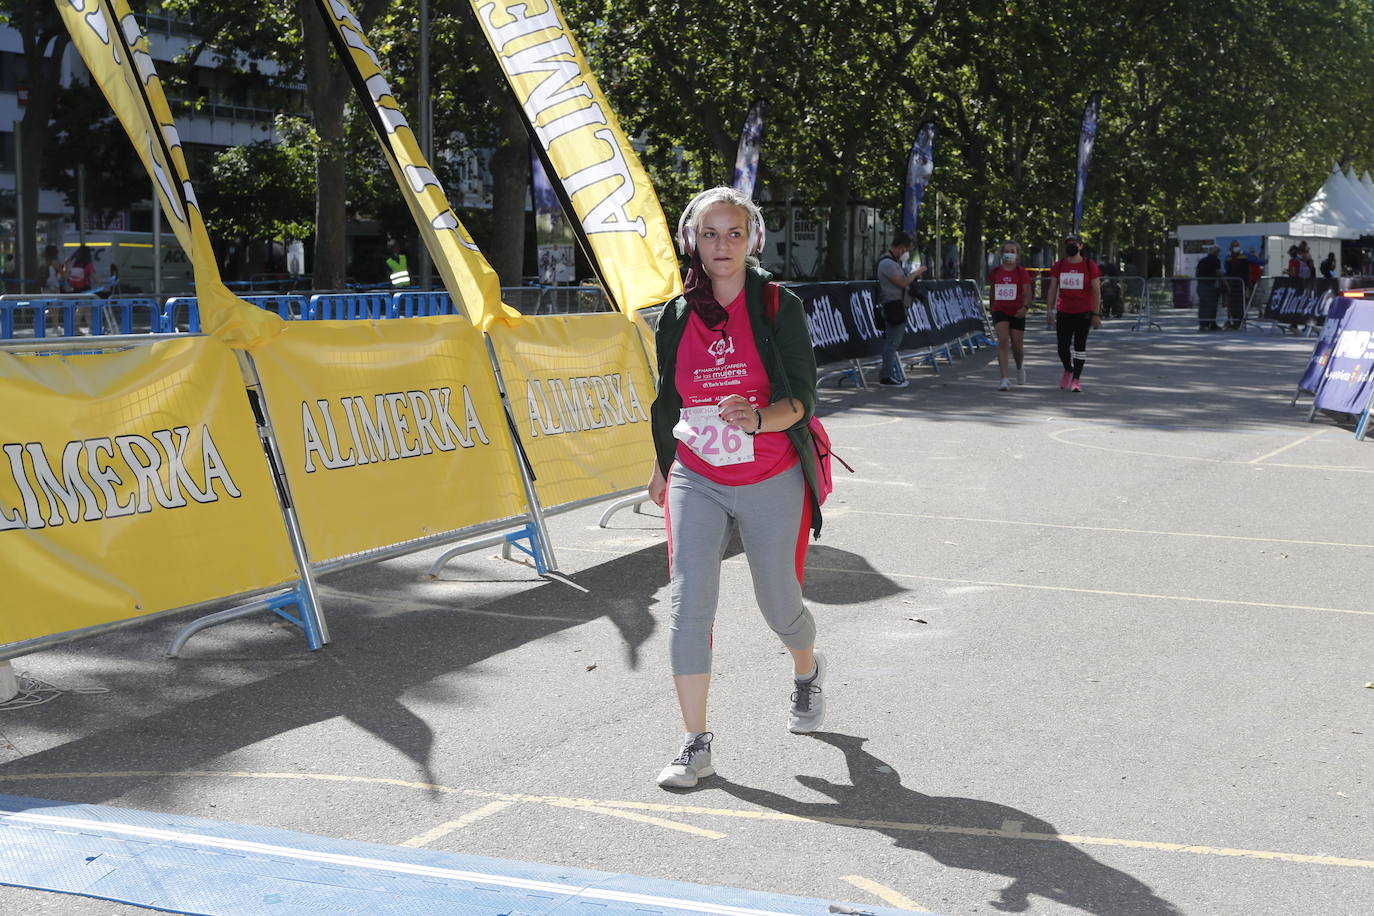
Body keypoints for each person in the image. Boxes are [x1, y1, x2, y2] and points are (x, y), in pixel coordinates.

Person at [647, 186, 826, 789]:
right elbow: (667, 400)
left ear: (752, 239)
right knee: (686, 607)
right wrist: (660, 464)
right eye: (709, 233)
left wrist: (757, 418)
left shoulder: (778, 306)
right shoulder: (675, 314)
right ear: (690, 241)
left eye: (733, 233)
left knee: (780, 605)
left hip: (770, 473)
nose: (721, 245)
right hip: (696, 476)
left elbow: (804, 396)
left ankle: (805, 667)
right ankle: (695, 743)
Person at [1043, 233, 1101, 392]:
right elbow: (1052, 289)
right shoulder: (1059, 265)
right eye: (1069, 243)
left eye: (1075, 243)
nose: (1072, 245)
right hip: (1064, 312)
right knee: (1062, 347)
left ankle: (1076, 379)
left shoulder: (1090, 265)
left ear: (1081, 246)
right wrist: (1049, 310)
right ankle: (1068, 369)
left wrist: (1096, 314)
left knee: (1079, 346)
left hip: (1084, 313)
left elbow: (1096, 291)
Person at [875, 232, 926, 387]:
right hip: (893, 307)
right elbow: (902, 282)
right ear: (899, 247)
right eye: (905, 250)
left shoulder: (894, 263)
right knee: (892, 343)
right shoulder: (887, 264)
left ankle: (888, 373)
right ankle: (886, 376)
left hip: (898, 306)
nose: (906, 253)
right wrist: (915, 274)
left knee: (893, 342)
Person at [987, 240, 1033, 390]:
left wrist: (1025, 307)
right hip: (1000, 310)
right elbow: (993, 291)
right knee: (1002, 340)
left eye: (1013, 251)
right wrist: (993, 307)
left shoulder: (1021, 272)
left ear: (1017, 255)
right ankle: (1004, 379)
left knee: (1017, 347)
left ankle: (1019, 366)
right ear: (1002, 254)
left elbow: (1027, 292)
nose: (1009, 254)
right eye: (1007, 251)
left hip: (1017, 311)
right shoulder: (995, 272)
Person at [1195, 245, 1223, 331]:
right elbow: (1218, 273)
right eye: (1218, 252)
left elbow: (1197, 272)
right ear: (1216, 253)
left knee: (1202, 305)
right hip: (1211, 285)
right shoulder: (1216, 260)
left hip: (1201, 285)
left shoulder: (1202, 261)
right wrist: (1224, 282)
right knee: (1212, 305)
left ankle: (1203, 324)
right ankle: (1211, 323)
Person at [1223, 241, 1250, 329]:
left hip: (1240, 283)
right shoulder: (1229, 257)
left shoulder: (1242, 256)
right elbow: (1227, 269)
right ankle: (1235, 321)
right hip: (1235, 283)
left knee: (1239, 303)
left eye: (1237, 245)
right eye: (1235, 246)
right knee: (1234, 303)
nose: (1236, 247)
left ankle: (1239, 321)